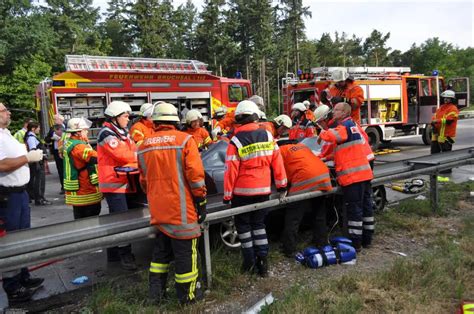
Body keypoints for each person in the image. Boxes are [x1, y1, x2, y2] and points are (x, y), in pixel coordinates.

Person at [138, 102, 207, 305]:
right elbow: (196, 177)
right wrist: (201, 201)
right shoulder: (185, 140)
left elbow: (144, 181)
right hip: (182, 211)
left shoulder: (144, 146)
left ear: (155, 121)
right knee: (187, 253)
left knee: (161, 252)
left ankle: (156, 295)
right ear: (175, 120)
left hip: (158, 211)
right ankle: (188, 296)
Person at [223, 100, 287, 277]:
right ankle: (263, 264)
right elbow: (278, 163)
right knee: (259, 225)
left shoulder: (235, 141)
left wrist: (227, 196)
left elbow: (230, 171)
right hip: (263, 190)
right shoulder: (268, 136)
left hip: (241, 193)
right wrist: (282, 185)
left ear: (238, 119)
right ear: (255, 116)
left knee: (243, 227)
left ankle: (249, 262)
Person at [0, 103, 45, 303]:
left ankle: (23, 277)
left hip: (20, 194)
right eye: (4, 110)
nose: (9, 112)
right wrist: (27, 157)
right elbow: (1, 165)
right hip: (7, 197)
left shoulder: (6, 133)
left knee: (23, 237)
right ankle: (13, 287)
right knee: (10, 241)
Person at [318, 102, 374, 251]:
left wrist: (322, 132)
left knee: (354, 210)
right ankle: (367, 239)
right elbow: (345, 150)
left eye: (336, 110)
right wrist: (327, 157)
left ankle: (355, 243)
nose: (333, 112)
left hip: (352, 177)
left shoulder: (344, 126)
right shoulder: (353, 126)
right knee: (366, 208)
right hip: (364, 174)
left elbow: (333, 136)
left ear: (343, 113)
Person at [97, 100, 139, 271]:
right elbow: (123, 155)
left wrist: (136, 153)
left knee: (118, 219)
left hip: (123, 181)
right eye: (125, 115)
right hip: (113, 184)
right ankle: (125, 255)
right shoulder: (107, 134)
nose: (128, 118)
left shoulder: (122, 132)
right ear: (115, 117)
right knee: (121, 221)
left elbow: (133, 150)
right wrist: (139, 156)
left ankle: (114, 253)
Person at [278, 140, 333, 257]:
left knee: (293, 216)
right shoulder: (302, 146)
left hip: (305, 178)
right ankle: (321, 242)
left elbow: (280, 172)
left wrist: (282, 188)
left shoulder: (280, 151)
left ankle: (289, 248)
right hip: (323, 175)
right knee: (319, 213)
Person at [63, 117, 102, 219]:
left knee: (80, 216)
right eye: (84, 130)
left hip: (79, 187)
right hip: (85, 187)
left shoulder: (70, 142)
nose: (87, 131)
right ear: (77, 133)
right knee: (90, 216)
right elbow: (95, 158)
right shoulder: (79, 147)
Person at [24, 121, 51, 206]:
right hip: (37, 162)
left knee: (38, 180)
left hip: (38, 161)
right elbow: (33, 151)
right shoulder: (31, 138)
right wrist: (42, 155)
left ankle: (39, 198)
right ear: (33, 129)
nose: (39, 129)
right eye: (38, 128)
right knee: (39, 181)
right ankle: (39, 199)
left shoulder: (32, 136)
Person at [431, 90, 459, 157]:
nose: (445, 99)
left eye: (448, 98)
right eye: (444, 98)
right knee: (434, 154)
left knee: (446, 155)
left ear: (452, 99)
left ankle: (448, 167)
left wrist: (437, 121)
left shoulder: (453, 108)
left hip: (447, 136)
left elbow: (450, 120)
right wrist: (433, 124)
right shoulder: (441, 107)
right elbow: (434, 117)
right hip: (437, 135)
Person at [45, 114, 66, 194]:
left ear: (61, 120)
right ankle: (63, 187)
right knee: (60, 170)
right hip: (57, 152)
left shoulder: (67, 127)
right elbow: (46, 139)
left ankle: (68, 187)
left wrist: (61, 137)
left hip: (65, 151)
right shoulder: (52, 129)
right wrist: (52, 138)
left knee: (66, 169)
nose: (54, 121)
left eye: (55, 119)